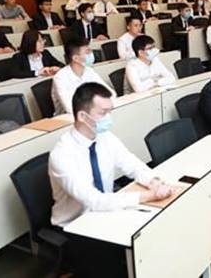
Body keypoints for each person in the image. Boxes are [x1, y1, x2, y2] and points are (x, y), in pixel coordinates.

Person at [49, 82, 172, 278]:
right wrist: (148, 196)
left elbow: (132, 164)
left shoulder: (105, 137)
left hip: (105, 212)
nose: (109, 118)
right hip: (76, 226)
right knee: (123, 264)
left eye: (110, 111)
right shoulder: (62, 155)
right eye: (103, 113)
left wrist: (154, 181)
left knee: (156, 236)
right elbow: (94, 201)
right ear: (82, 116)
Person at [51, 38, 116, 115]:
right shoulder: (60, 78)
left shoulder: (89, 71)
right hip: (67, 119)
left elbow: (111, 94)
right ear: (75, 58)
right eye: (87, 52)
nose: (91, 53)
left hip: (92, 113)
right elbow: (70, 108)